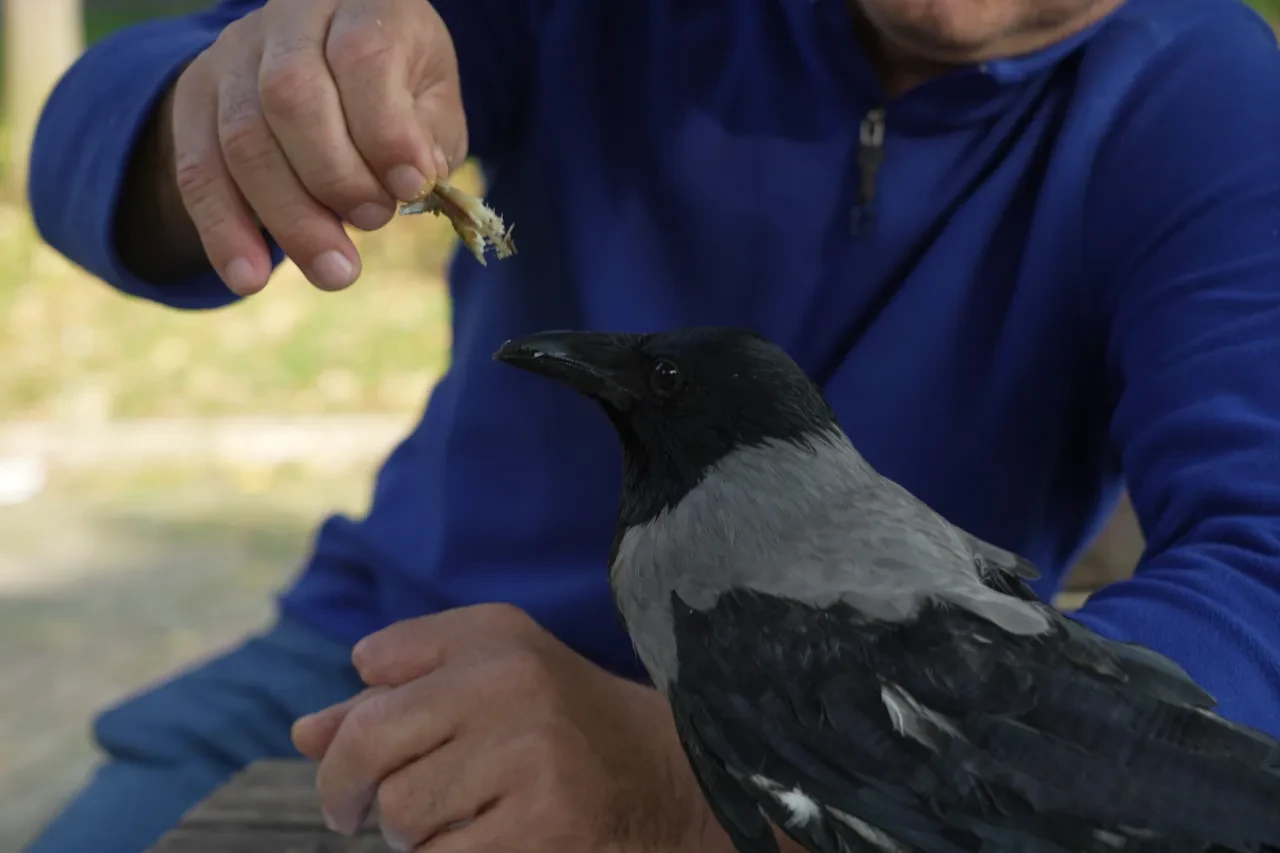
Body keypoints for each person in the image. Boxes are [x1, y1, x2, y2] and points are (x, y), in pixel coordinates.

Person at [22, 0, 1280, 850]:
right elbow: (90, 135)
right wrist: (243, 102)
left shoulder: (1207, 99)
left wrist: (703, 777)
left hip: (881, 738)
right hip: (377, 659)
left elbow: (1263, 568)